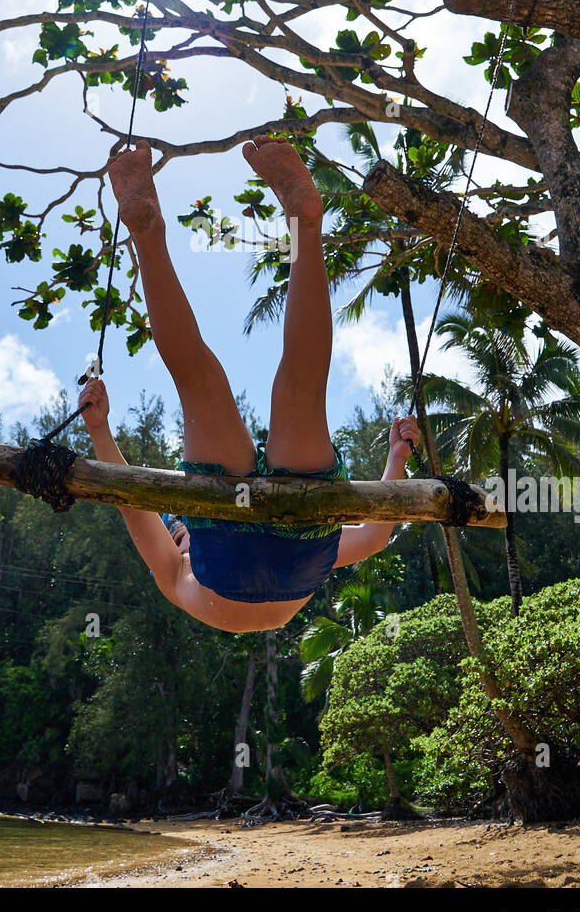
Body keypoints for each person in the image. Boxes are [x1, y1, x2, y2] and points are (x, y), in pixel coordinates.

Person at [79, 135, 420, 633]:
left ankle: (289, 221)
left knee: (292, 387)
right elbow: (132, 503)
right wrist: (396, 459)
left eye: (178, 534)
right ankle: (152, 231)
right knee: (205, 382)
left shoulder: (181, 579)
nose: (178, 539)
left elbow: (372, 538)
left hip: (283, 552)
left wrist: (101, 434)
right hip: (248, 543)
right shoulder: (182, 565)